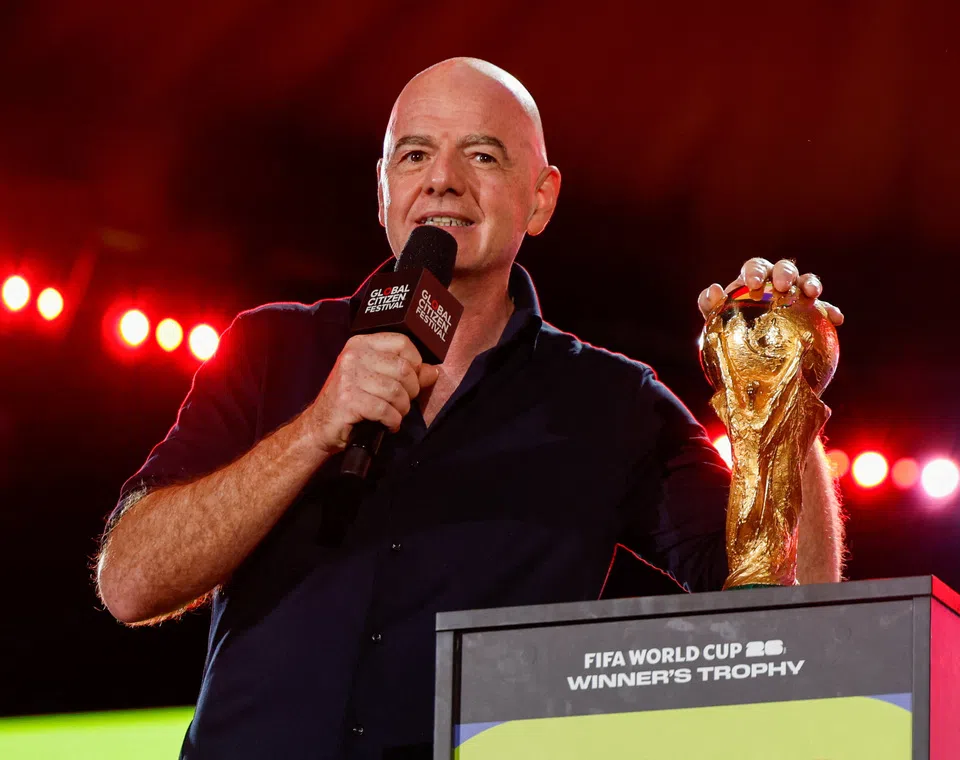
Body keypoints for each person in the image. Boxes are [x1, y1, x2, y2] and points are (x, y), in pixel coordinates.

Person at [96, 58, 845, 759]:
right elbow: (130, 584)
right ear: (383, 187)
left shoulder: (614, 405)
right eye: (415, 155)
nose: (443, 182)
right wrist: (316, 429)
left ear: (541, 198)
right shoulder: (272, 348)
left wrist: (787, 403)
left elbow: (791, 610)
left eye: (483, 156)